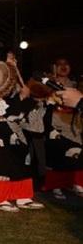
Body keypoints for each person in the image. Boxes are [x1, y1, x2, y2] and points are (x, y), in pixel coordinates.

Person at [0, 53, 45, 211]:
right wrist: (20, 97)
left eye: (13, 59)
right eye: (9, 58)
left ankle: (23, 196)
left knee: (22, 161)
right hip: (0, 127)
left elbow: (22, 107)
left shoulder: (15, 81)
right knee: (3, 163)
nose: (12, 61)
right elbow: (1, 109)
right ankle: (2, 199)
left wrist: (27, 98)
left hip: (17, 129)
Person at [43, 58, 82, 199]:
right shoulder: (49, 83)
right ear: (54, 67)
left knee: (77, 152)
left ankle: (76, 183)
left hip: (73, 125)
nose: (64, 67)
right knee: (57, 155)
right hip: (55, 123)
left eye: (67, 64)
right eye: (60, 64)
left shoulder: (76, 84)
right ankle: (56, 186)